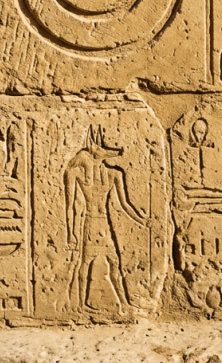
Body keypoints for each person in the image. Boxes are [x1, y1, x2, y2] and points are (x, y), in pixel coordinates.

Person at [65, 125, 146, 313]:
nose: (109, 151)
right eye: (101, 147)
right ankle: (80, 304)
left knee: (114, 263)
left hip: (104, 224)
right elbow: (70, 206)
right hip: (90, 224)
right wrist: (71, 234)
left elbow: (124, 204)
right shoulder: (76, 173)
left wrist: (141, 220)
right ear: (92, 149)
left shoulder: (113, 173)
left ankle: (124, 303)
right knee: (86, 263)